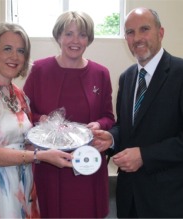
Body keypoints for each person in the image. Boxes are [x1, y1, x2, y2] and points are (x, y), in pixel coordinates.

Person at [92, 7, 183, 218]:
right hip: (130, 196)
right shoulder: (127, 77)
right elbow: (126, 127)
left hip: (171, 199)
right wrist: (111, 138)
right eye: (130, 32)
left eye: (144, 29)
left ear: (161, 33)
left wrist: (145, 156)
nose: (137, 38)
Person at [0, 22, 73, 218]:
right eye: (7, 48)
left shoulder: (19, 95)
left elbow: (21, 144)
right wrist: (40, 156)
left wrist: (52, 138)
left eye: (21, 51)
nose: (14, 56)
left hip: (22, 182)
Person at [23, 11, 115, 218]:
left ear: (89, 39)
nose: (75, 41)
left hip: (87, 161)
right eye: (68, 34)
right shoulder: (39, 69)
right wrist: (41, 119)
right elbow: (24, 111)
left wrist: (99, 125)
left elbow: (109, 117)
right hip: (50, 163)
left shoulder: (101, 73)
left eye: (82, 35)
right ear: (58, 37)